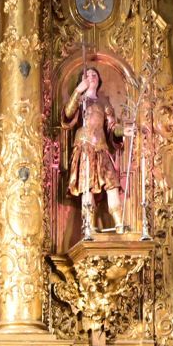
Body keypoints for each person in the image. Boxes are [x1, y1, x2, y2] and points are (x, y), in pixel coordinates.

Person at [63, 66, 124, 234]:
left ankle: (119, 223)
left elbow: (112, 126)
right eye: (87, 75)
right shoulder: (80, 99)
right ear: (82, 81)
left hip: (102, 149)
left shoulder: (103, 102)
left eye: (95, 74)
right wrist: (78, 92)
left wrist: (122, 131)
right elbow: (68, 113)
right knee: (87, 185)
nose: (92, 77)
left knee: (113, 184)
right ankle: (88, 225)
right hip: (84, 147)